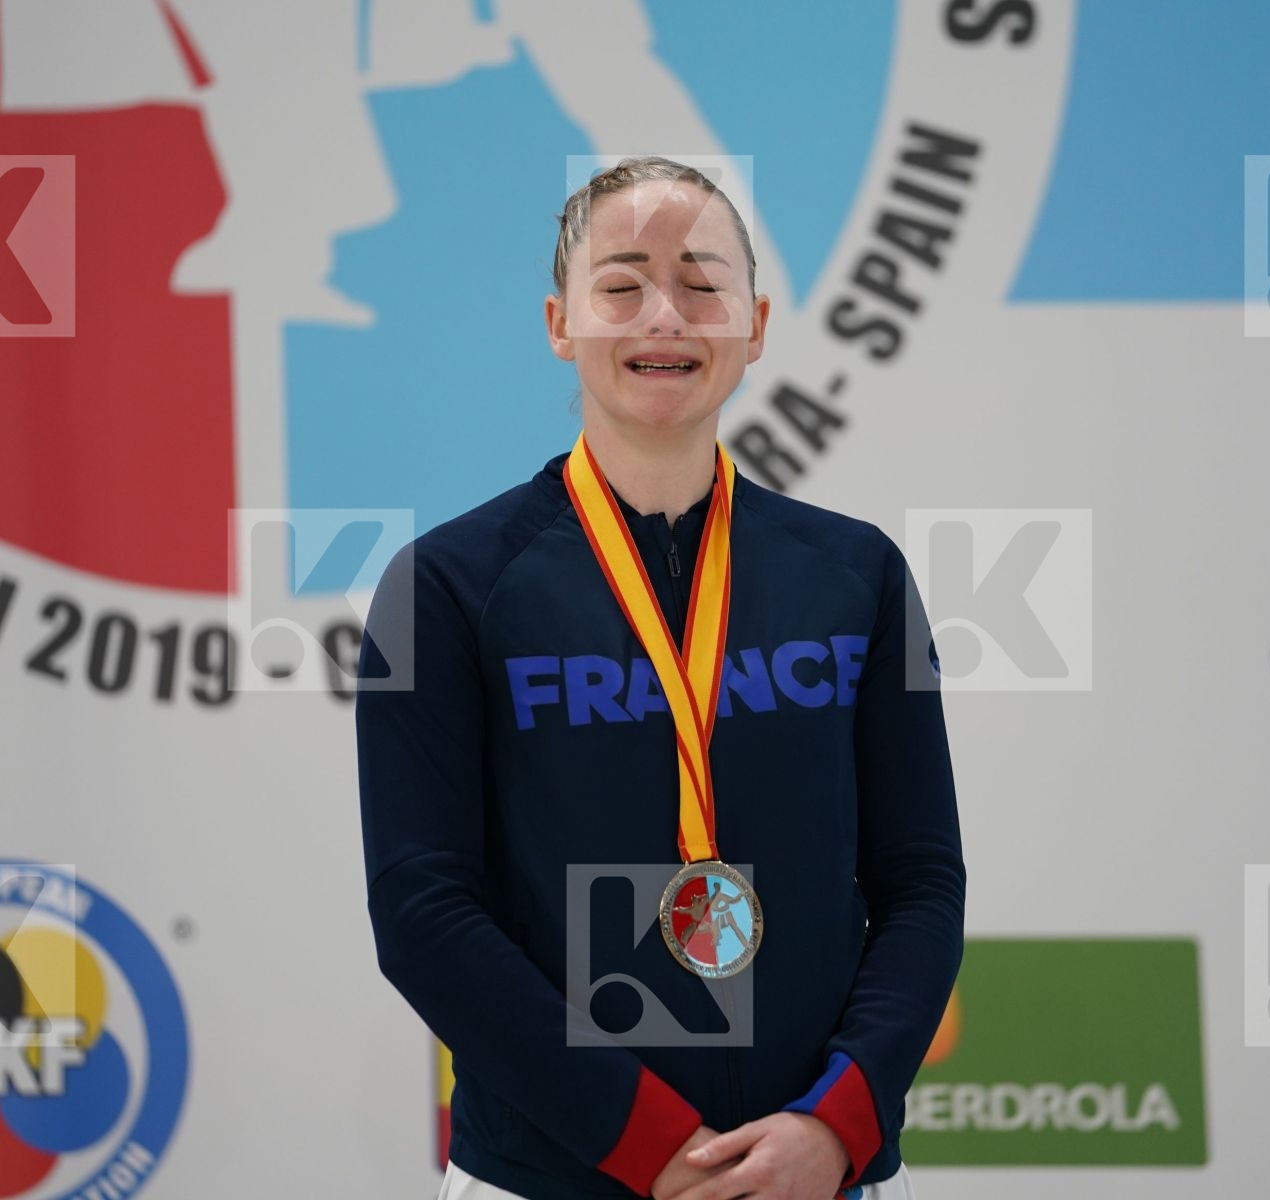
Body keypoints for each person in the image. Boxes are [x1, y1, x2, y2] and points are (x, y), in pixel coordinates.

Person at [355, 156, 965, 1200]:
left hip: (817, 1174)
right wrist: (646, 1144)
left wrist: (836, 1126)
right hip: (548, 1175)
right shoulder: (447, 589)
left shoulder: (858, 575)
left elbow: (920, 882)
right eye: (622, 283)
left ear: (758, 323)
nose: (664, 316)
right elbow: (425, 914)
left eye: (702, 282)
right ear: (561, 322)